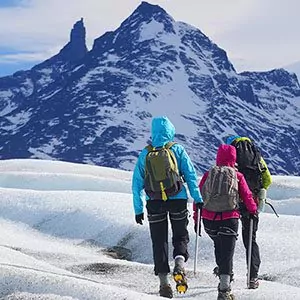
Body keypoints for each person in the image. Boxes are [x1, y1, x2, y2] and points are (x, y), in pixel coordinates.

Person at [132, 116, 203, 299]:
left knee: (159, 241)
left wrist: (138, 209)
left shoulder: (146, 153)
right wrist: (197, 198)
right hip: (177, 199)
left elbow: (137, 183)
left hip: (154, 202)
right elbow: (191, 176)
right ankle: (179, 261)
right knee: (180, 235)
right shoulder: (177, 150)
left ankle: (164, 284)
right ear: (170, 131)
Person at [193, 144, 257, 300]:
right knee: (227, 253)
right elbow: (247, 196)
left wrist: (197, 219)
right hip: (229, 218)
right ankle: (224, 289)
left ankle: (223, 272)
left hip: (209, 220)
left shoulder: (209, 174)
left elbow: (198, 198)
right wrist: (253, 211)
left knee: (218, 246)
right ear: (233, 158)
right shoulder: (237, 176)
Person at [225, 135, 272, 289]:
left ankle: (226, 273)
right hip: (251, 201)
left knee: (227, 237)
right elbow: (267, 179)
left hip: (232, 202)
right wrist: (259, 193)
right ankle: (252, 277)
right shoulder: (256, 155)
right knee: (250, 239)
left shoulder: (231, 153)